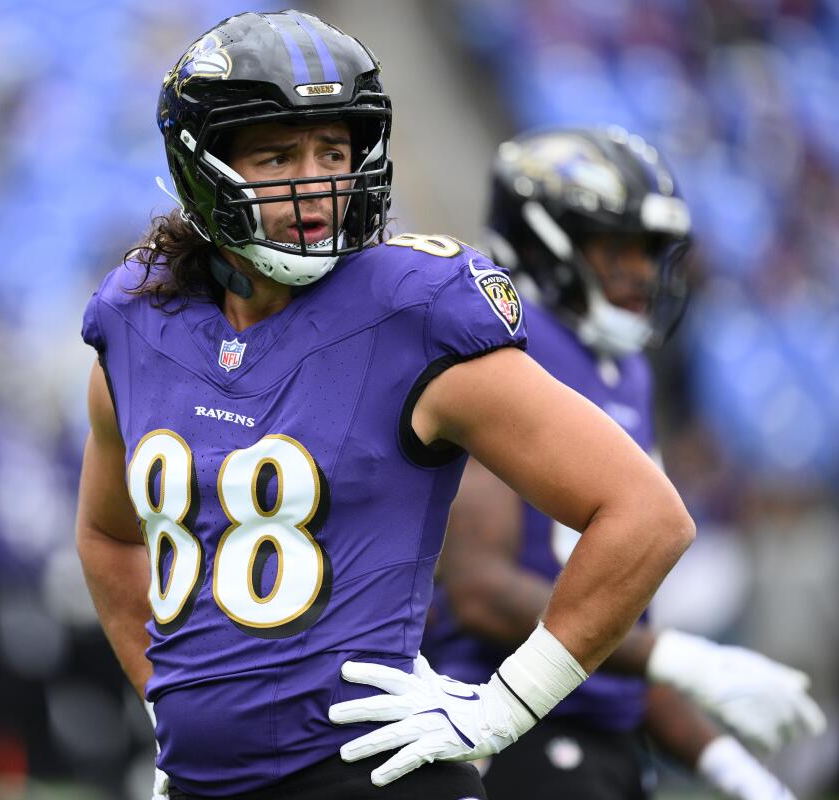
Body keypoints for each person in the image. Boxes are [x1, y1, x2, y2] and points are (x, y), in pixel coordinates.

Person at [77, 12, 696, 799]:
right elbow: (107, 536)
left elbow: (646, 514)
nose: (318, 182)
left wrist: (503, 708)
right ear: (204, 165)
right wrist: (173, 708)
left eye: (333, 151)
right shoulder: (139, 320)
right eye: (277, 155)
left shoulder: (411, 310)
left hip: (370, 773)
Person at [422, 127, 826, 799]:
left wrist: (727, 764)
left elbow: (615, 628)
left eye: (650, 252)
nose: (642, 272)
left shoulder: (626, 373)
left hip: (597, 742)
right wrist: (683, 657)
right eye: (619, 248)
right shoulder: (502, 348)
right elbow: (480, 590)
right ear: (546, 242)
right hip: (499, 734)